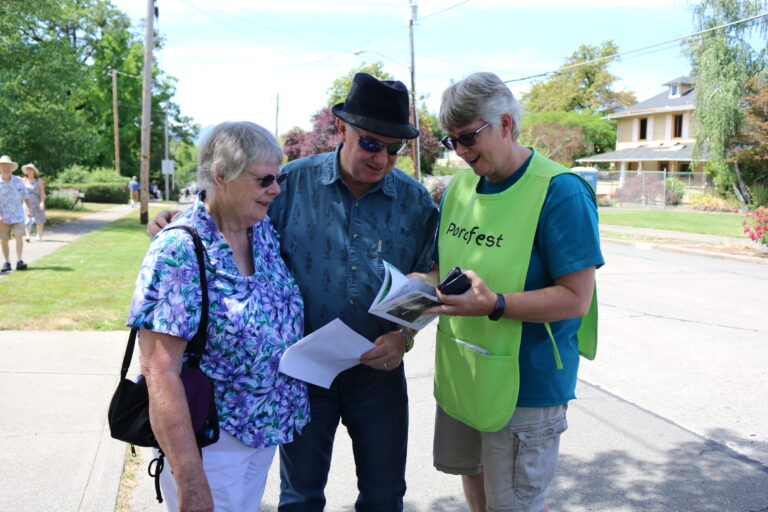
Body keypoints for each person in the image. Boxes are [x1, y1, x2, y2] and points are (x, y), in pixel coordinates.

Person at [149, 73, 439, 511]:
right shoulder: (289, 185)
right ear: (342, 130)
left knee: (384, 496)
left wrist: (404, 335)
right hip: (300, 375)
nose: (382, 158)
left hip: (379, 373)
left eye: (395, 148)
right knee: (300, 497)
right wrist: (180, 219)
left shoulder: (416, 201)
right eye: (372, 144)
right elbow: (229, 214)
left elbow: (430, 274)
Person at [416, 72, 604, 512]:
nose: (461, 152)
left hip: (527, 387)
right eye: (451, 141)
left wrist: (496, 304)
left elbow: (576, 298)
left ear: (504, 123)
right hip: (465, 373)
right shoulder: (459, 189)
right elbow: (444, 270)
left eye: (467, 138)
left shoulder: (559, 192)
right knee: (476, 488)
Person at [128, 121, 309, 511]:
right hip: (210, 443)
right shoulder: (178, 249)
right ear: (220, 175)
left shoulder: (260, 232)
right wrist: (190, 478)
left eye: (277, 179)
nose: (275, 189)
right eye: (264, 180)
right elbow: (160, 372)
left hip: (262, 432)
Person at [0, 155, 31, 272]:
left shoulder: (18, 180)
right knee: (4, 239)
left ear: (12, 168)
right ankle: (7, 262)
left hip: (18, 215)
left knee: (18, 235)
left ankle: (19, 261)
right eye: (3, 166)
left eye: (8, 166)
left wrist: (30, 209)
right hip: (3, 217)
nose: (6, 169)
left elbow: (26, 196)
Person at [21, 163, 46, 241]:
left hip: (37, 201)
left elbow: (42, 192)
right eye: (27, 169)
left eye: (31, 169)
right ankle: (28, 235)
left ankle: (39, 234)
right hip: (26, 202)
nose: (29, 171)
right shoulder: (23, 180)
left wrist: (42, 202)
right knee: (27, 219)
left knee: (39, 218)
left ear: (34, 171)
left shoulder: (39, 180)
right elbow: (21, 192)